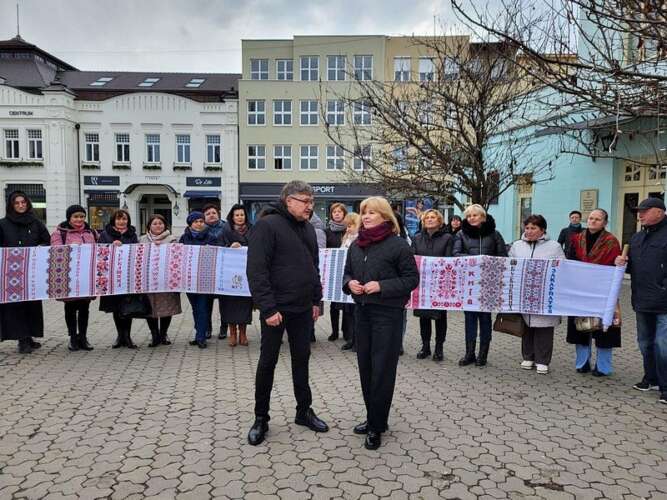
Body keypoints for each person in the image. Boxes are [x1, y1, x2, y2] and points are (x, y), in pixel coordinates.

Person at [246, 180, 329, 446]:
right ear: (288, 200)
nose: (310, 207)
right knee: (267, 362)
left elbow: (313, 267)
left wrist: (316, 301)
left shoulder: (307, 229)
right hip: (276, 310)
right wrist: (268, 308)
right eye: (305, 201)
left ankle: (304, 411)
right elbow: (256, 271)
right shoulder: (267, 226)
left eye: (312, 201)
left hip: (303, 308)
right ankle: (261, 418)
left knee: (301, 360)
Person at [343, 196, 419, 450]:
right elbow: (347, 272)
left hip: (388, 315)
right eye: (364, 212)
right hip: (362, 313)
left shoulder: (398, 245)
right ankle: (373, 417)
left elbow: (411, 279)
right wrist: (349, 283)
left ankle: (377, 426)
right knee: (366, 368)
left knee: (382, 371)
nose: (366, 217)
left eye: (372, 213)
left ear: (385, 217)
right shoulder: (356, 245)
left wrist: (382, 286)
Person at [615, 197, 667, 405]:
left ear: (660, 212)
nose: (640, 214)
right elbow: (632, 269)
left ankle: (665, 386)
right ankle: (651, 378)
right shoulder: (636, 239)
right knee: (645, 343)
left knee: (662, 344)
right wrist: (622, 263)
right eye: (639, 211)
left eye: (645, 211)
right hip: (642, 300)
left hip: (664, 301)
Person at [566, 209, 621, 376]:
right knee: (580, 327)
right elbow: (571, 260)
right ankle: (582, 363)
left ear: (605, 222)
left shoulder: (611, 241)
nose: (593, 221)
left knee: (605, 328)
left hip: (603, 290)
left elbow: (615, 264)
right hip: (580, 288)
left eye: (597, 219)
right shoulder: (577, 239)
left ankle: (603, 367)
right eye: (591, 218)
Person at [509, 215, 565, 374]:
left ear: (542, 230)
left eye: (533, 228)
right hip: (524, 291)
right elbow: (510, 264)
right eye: (527, 228)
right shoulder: (517, 245)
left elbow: (562, 266)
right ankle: (528, 356)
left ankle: (543, 360)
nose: (529, 231)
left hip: (545, 293)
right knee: (526, 325)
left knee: (544, 327)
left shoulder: (554, 246)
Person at [453, 204, 507, 367]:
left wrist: (487, 261)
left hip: (489, 282)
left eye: (475, 215)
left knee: (485, 319)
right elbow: (455, 254)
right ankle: (469, 353)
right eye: (469, 216)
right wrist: (476, 260)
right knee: (470, 319)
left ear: (483, 217)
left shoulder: (495, 234)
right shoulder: (461, 234)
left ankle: (483, 354)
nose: (471, 218)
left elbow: (502, 255)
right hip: (469, 283)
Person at [0, 191, 50, 354]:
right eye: (17, 203)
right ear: (11, 205)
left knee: (32, 305)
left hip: (32, 274)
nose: (21, 205)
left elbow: (46, 241)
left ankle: (29, 336)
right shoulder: (3, 224)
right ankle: (21, 339)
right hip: (11, 274)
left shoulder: (36, 223)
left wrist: (40, 248)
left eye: (23, 202)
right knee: (16, 306)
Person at [51, 204, 98, 352]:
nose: (79, 219)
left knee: (85, 307)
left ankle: (83, 337)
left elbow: (100, 247)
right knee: (70, 307)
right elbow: (55, 251)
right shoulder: (60, 233)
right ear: (69, 218)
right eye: (76, 216)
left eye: (82, 216)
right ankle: (72, 337)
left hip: (86, 275)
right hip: (68, 275)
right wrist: (71, 248)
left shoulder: (91, 232)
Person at [411, 209, 454, 361]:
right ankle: (425, 346)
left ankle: (439, 348)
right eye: (427, 218)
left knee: (440, 317)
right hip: (422, 283)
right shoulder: (416, 238)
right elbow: (413, 258)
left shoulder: (448, 237)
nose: (429, 220)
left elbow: (449, 258)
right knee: (424, 316)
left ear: (439, 221)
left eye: (433, 217)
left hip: (440, 283)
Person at [180, 211, 227, 349]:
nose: (199, 224)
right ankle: (198, 333)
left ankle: (201, 337)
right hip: (189, 279)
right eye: (196, 221)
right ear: (190, 224)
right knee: (195, 309)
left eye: (201, 221)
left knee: (202, 308)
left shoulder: (210, 237)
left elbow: (217, 253)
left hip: (204, 279)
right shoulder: (184, 238)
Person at [98, 209, 140, 348]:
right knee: (116, 308)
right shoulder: (105, 234)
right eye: (119, 219)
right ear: (113, 220)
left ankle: (127, 336)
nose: (122, 222)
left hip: (128, 276)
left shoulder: (132, 235)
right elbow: (99, 252)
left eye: (124, 219)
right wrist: (111, 246)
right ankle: (119, 336)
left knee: (128, 306)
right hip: (111, 277)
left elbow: (137, 252)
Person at [140, 215, 181, 347]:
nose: (158, 226)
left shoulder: (172, 239)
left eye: (160, 223)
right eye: (154, 223)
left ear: (165, 226)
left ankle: (163, 334)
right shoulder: (142, 240)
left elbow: (177, 257)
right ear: (149, 226)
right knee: (149, 309)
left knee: (166, 308)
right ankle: (154, 335)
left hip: (166, 281)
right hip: (148, 281)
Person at [221, 204, 253, 347]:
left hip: (246, 274)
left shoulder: (253, 230)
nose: (240, 217)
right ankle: (232, 333)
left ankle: (243, 333)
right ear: (232, 217)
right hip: (230, 274)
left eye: (242, 215)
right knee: (229, 304)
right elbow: (219, 249)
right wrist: (229, 247)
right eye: (237, 215)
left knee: (245, 304)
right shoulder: (225, 231)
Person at [203, 203, 228, 340]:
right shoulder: (200, 228)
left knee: (224, 303)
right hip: (206, 270)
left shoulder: (226, 227)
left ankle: (224, 328)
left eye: (213, 212)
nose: (211, 215)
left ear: (218, 214)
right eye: (208, 214)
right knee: (207, 303)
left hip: (223, 269)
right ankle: (207, 329)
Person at [325, 203, 348, 342]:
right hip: (333, 271)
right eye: (334, 212)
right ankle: (334, 331)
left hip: (346, 271)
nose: (337, 214)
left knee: (346, 302)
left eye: (340, 212)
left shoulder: (349, 230)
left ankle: (346, 331)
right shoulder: (327, 231)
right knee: (334, 304)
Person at [340, 212, 360, 351]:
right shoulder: (346, 238)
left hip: (357, 278)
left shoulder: (360, 240)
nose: (347, 229)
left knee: (356, 312)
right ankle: (351, 338)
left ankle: (357, 340)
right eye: (346, 226)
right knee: (349, 313)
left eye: (350, 226)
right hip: (347, 278)